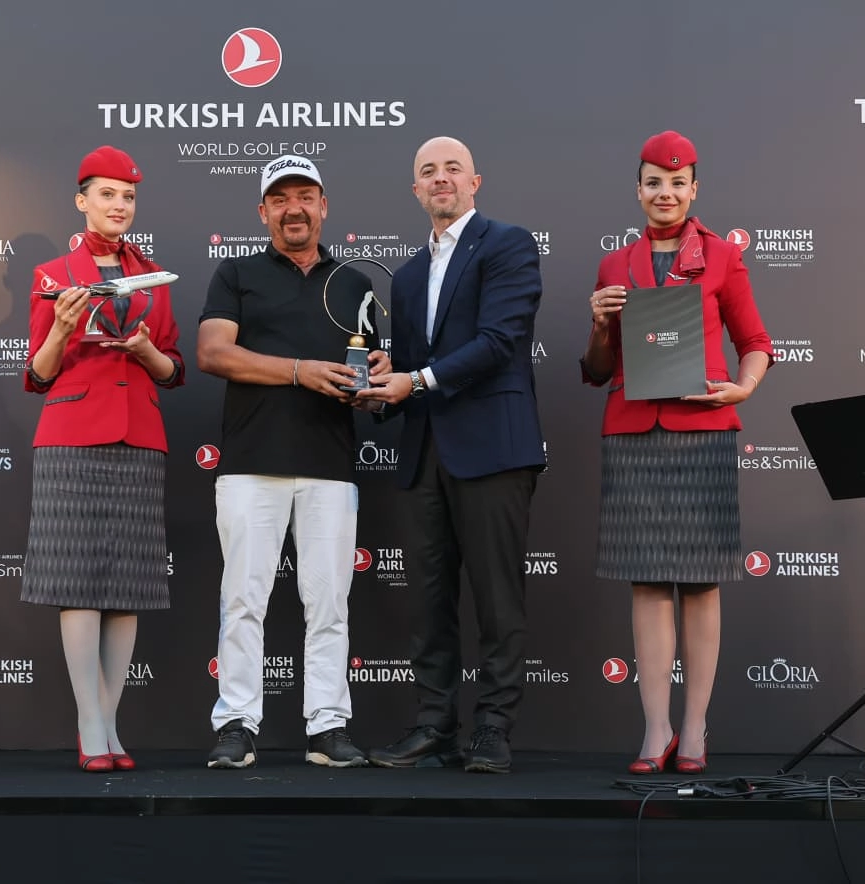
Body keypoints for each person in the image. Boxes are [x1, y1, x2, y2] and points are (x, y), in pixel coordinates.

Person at [579, 130, 772, 775]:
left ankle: (694, 728)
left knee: (701, 582)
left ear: (694, 189)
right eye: (654, 182)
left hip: (702, 430)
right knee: (648, 580)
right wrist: (599, 324)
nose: (666, 192)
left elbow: (755, 341)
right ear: (638, 190)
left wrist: (743, 387)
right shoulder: (614, 265)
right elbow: (597, 368)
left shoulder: (722, 256)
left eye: (677, 182)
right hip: (634, 431)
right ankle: (655, 727)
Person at [357, 137, 545, 774]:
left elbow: (499, 341)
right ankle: (435, 725)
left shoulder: (508, 244)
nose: (441, 178)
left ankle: (493, 728)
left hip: (493, 448)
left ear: (474, 182)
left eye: (452, 169)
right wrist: (384, 381)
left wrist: (415, 379)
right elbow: (415, 368)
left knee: (497, 598)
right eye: (428, 171)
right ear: (416, 190)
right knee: (428, 601)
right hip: (424, 453)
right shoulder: (409, 275)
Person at [198, 154, 382, 770]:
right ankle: (236, 723)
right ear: (263, 211)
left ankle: (327, 725)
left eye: (305, 196)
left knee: (329, 605)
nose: (293, 208)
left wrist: (377, 379)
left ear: (323, 206)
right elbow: (214, 352)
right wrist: (300, 371)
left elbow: (371, 373)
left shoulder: (355, 283)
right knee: (243, 601)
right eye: (280, 199)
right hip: (252, 462)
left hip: (331, 464)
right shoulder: (237, 273)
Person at [21, 145, 184, 773]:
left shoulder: (155, 278)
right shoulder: (53, 275)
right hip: (71, 437)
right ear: (81, 200)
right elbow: (37, 374)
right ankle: (90, 722)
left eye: (129, 196)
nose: (120, 205)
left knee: (128, 588)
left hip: (139, 436)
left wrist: (144, 350)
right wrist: (62, 328)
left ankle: (109, 723)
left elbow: (172, 369)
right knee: (78, 585)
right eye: (108, 194)